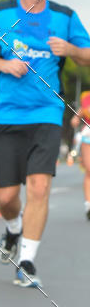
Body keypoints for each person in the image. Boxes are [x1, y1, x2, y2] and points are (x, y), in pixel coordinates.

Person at [0, 0, 90, 287]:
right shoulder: (0, 13)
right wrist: (2, 63)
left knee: (39, 188)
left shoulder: (65, 16)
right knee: (7, 198)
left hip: (47, 113)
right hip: (7, 114)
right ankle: (13, 229)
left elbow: (88, 55)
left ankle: (26, 261)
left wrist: (70, 50)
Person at [70, 89, 90, 219]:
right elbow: (74, 120)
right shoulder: (86, 97)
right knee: (89, 170)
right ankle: (89, 204)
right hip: (88, 135)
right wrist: (77, 118)